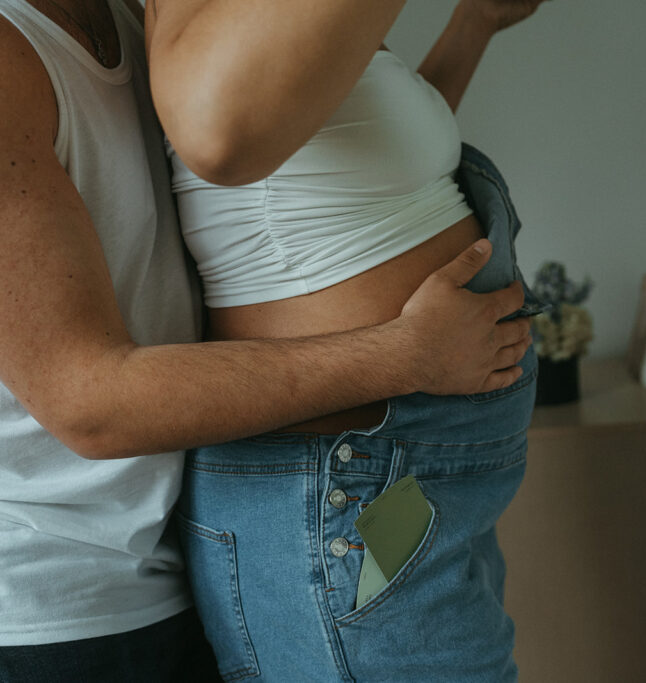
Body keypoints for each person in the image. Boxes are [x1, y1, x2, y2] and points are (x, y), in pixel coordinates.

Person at [0, 0, 532, 680]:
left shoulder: (133, 20)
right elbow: (89, 402)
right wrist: (404, 355)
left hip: (227, 540)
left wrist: (474, 26)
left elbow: (336, 186)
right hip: (65, 604)